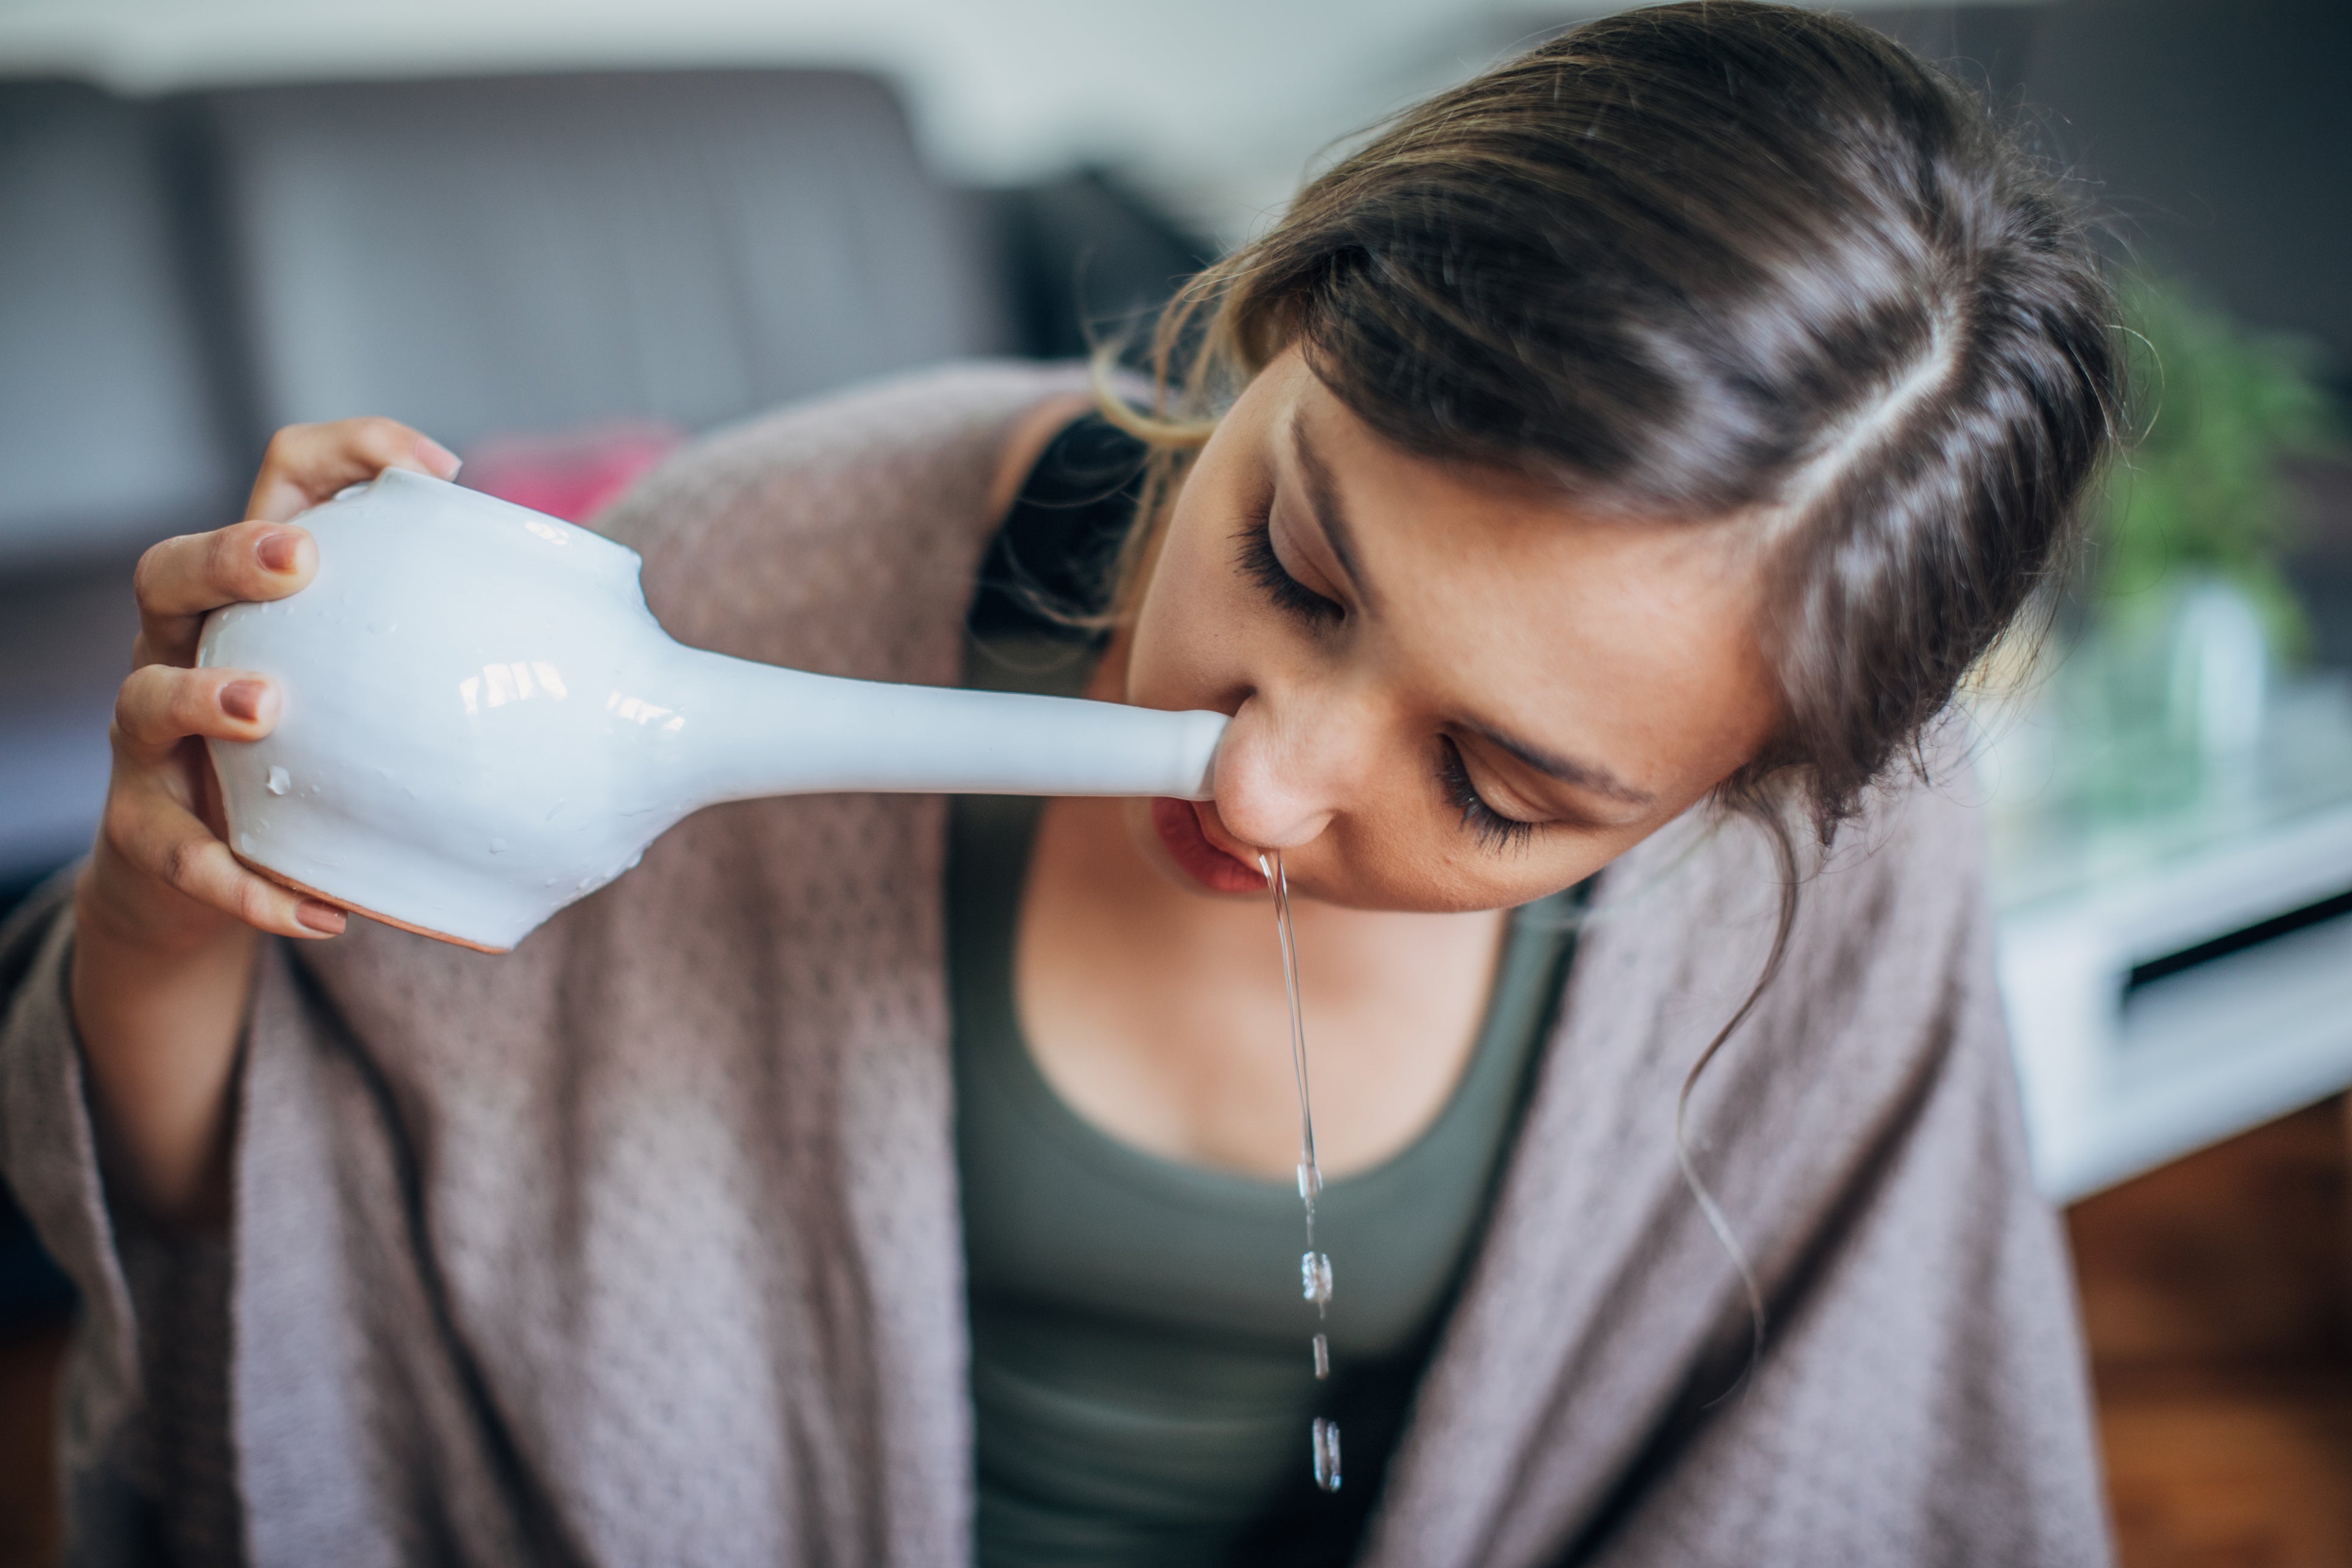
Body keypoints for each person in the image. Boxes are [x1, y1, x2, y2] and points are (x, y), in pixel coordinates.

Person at [2, 4, 2122, 1564]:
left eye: (1498, 790)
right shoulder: (768, 566)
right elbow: (280, 1284)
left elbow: (1866, 1473)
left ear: (1733, 802)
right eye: (1296, 566)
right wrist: (169, 909)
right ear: (1278, 309)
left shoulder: (1837, 877)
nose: (1267, 786)